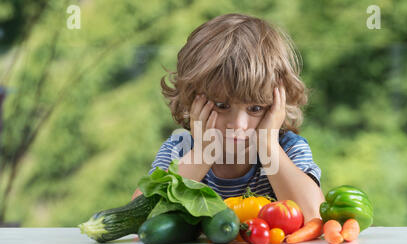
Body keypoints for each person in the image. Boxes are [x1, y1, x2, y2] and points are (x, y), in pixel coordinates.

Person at [131, 13, 324, 222]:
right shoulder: (181, 150)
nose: (238, 125)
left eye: (256, 108)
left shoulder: (288, 149)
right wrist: (203, 153)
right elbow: (139, 219)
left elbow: (315, 217)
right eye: (222, 106)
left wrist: (268, 145)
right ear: (193, 99)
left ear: (277, 105)